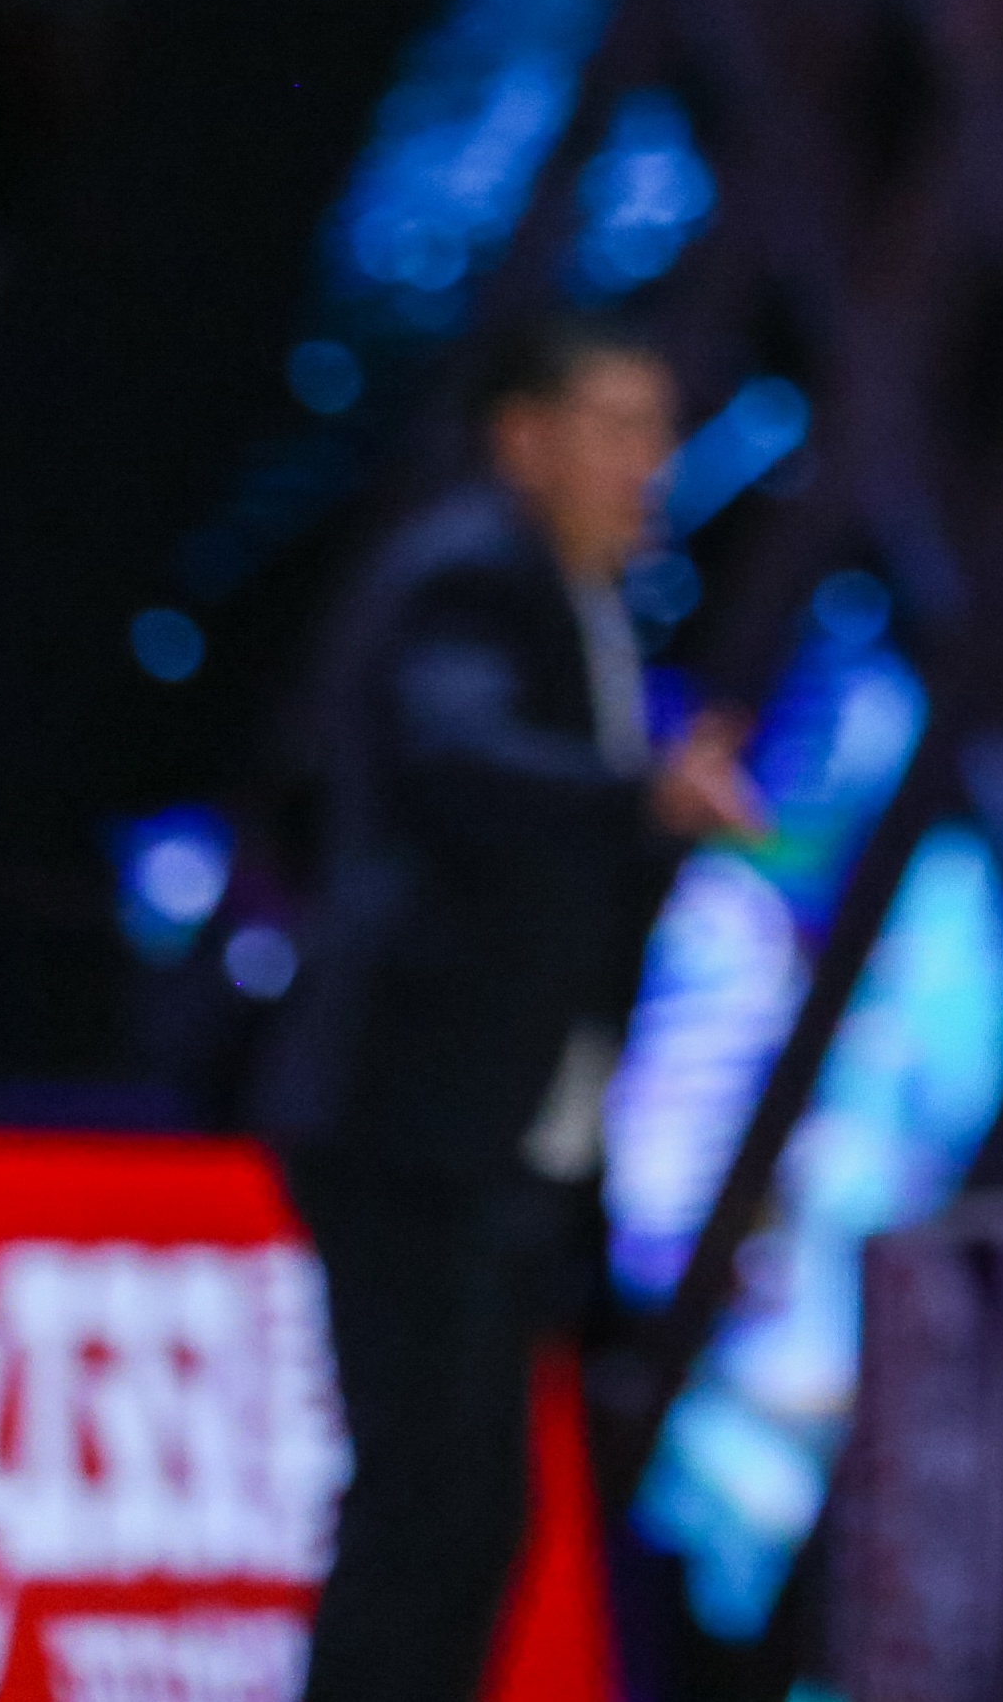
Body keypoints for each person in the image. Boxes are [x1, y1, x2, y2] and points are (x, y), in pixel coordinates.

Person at [253, 313, 762, 1702]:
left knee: (474, 1508)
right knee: (428, 1501)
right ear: (524, 439)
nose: (651, 460)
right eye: (618, 425)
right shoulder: (471, 574)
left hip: (504, 1127)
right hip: (412, 1122)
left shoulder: (591, 597)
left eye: (660, 428)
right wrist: (642, 798)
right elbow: (458, 750)